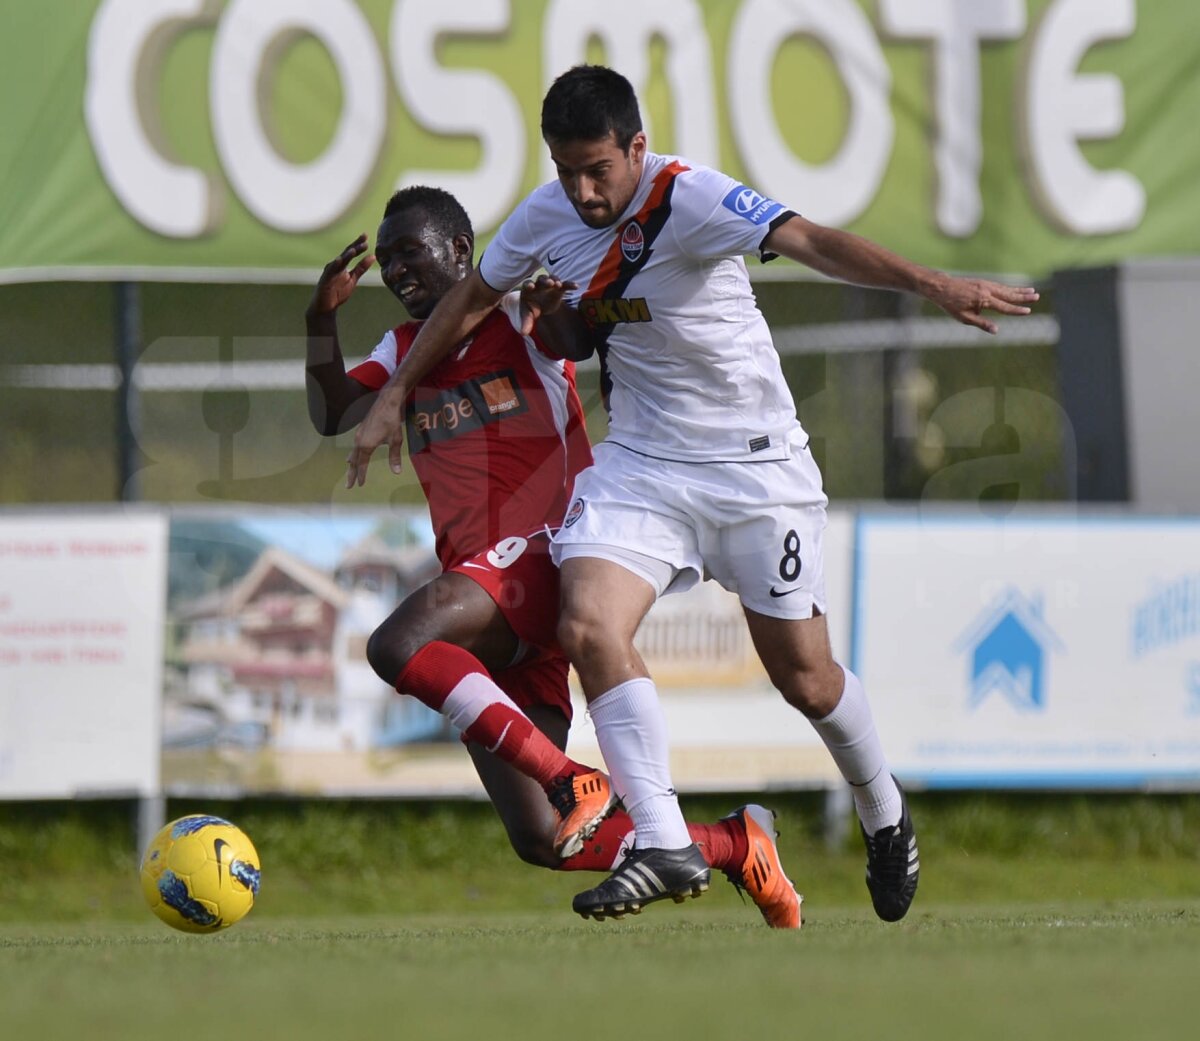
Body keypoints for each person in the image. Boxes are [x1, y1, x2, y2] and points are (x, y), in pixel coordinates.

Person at [343, 68, 1039, 924]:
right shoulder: (544, 215)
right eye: (567, 171)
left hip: (754, 470)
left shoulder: (693, 198)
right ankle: (668, 840)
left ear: (638, 147)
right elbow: (471, 300)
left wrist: (936, 284)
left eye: (599, 169)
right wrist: (388, 397)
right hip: (643, 466)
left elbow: (813, 240)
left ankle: (883, 809)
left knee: (808, 679)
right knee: (588, 621)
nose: (583, 190)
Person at [305, 184, 803, 928]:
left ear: (462, 255)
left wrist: (556, 307)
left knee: (398, 643)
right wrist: (319, 319)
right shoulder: (403, 351)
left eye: (412, 252)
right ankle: (734, 843)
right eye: (389, 260)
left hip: (549, 551)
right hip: (489, 593)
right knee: (541, 835)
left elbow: (573, 339)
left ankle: (576, 776)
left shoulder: (516, 316)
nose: (397, 269)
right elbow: (331, 410)